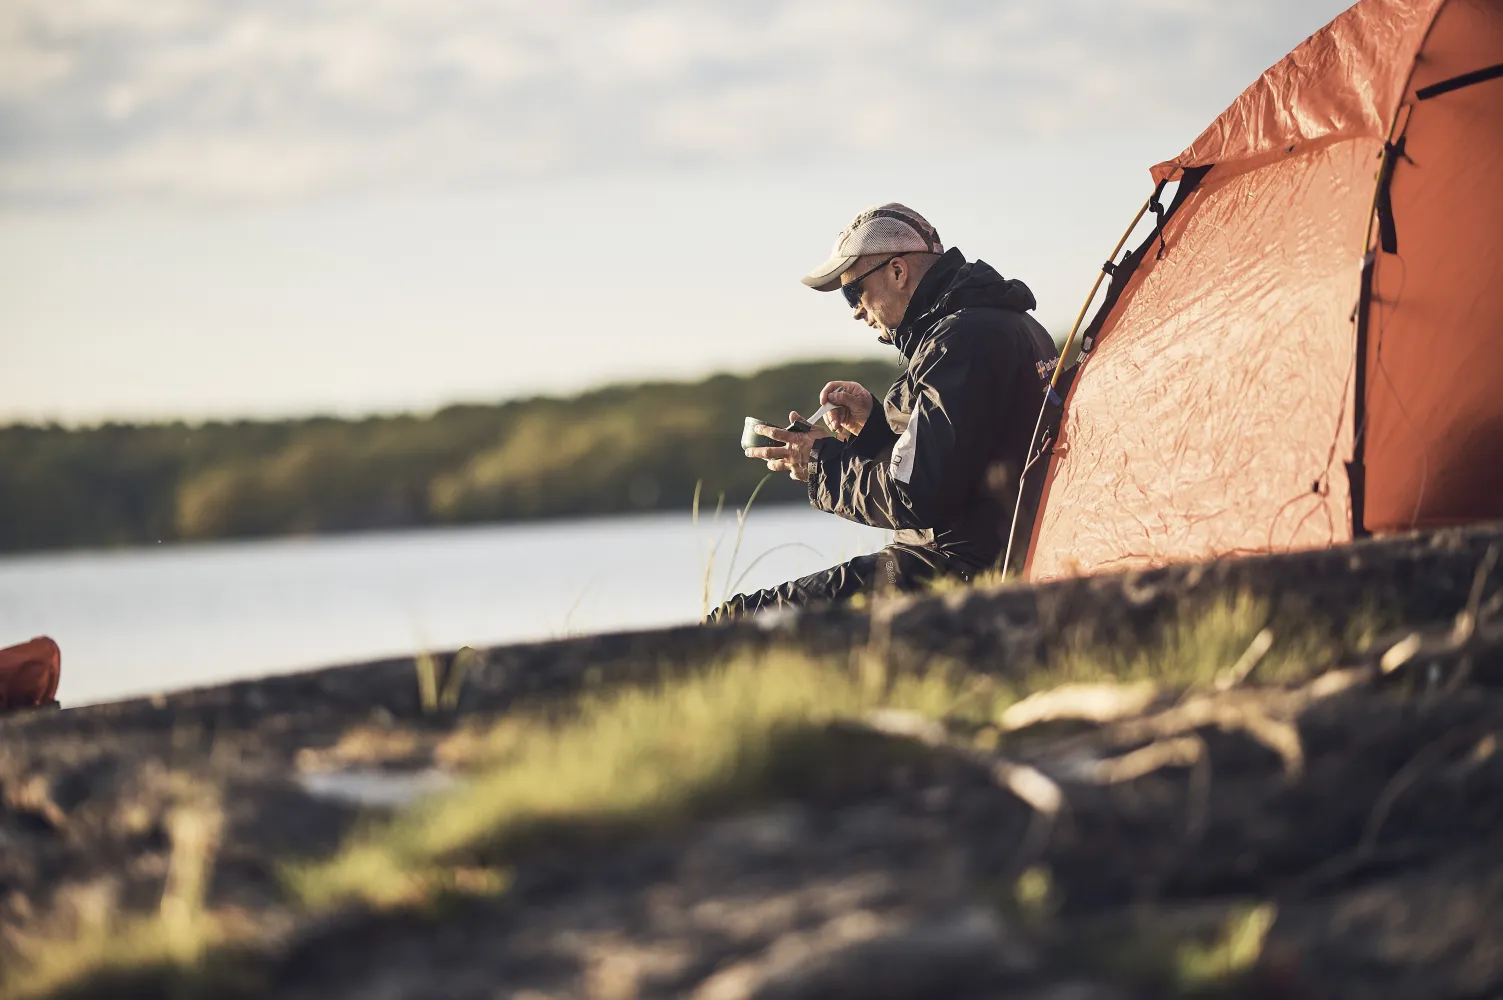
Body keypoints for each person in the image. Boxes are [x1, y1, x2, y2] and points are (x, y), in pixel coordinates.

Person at [710, 203, 1058, 622]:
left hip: (952, 571)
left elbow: (919, 494)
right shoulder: (1001, 324)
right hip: (959, 557)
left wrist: (820, 464)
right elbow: (956, 462)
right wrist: (874, 427)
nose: (856, 310)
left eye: (853, 292)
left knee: (742, 617)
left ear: (898, 272)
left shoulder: (957, 342)